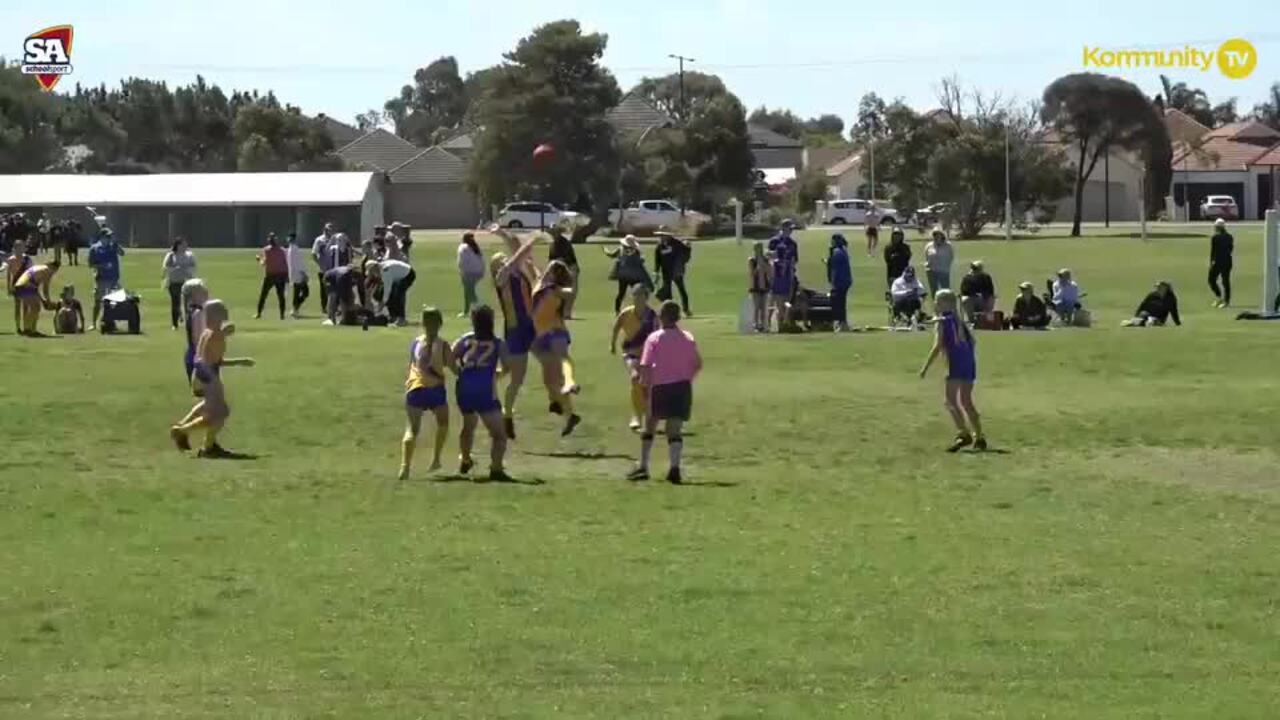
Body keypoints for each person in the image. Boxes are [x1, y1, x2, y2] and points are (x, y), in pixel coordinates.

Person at [628, 300, 702, 484]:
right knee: (674, 429)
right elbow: (697, 363)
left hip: (659, 386)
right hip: (682, 387)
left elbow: (645, 365)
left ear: (662, 317)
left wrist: (645, 386)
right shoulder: (688, 337)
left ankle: (643, 466)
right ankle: (674, 467)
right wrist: (687, 378)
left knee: (650, 425)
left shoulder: (654, 338)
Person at [169, 299, 255, 458]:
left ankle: (203, 442)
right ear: (215, 316)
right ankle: (184, 432)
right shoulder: (215, 334)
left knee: (213, 409)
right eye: (222, 314)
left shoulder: (207, 333)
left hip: (203, 375)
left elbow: (213, 359)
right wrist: (212, 380)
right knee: (219, 414)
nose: (226, 316)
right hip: (208, 376)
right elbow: (208, 357)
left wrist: (239, 362)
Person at [919, 289, 986, 453]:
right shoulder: (959, 321)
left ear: (946, 303)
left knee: (950, 401)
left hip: (955, 364)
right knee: (966, 401)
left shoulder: (943, 322)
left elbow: (938, 346)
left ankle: (963, 433)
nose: (935, 304)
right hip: (969, 364)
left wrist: (925, 367)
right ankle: (979, 436)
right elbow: (973, 343)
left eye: (937, 301)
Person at [489, 225, 540, 439]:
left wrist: (502, 233)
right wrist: (532, 241)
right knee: (516, 379)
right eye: (500, 261)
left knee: (512, 370)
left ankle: (488, 378)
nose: (505, 261)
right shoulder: (501, 278)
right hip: (516, 331)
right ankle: (506, 414)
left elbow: (516, 250)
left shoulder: (516, 273)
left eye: (504, 259)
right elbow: (519, 254)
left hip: (530, 327)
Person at [450, 305, 512, 482]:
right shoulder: (498, 343)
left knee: (468, 426)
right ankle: (496, 468)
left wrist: (458, 372)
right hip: (485, 391)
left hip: (464, 389)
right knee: (499, 434)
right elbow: (507, 366)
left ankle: (465, 459)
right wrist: (497, 375)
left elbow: (450, 357)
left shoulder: (465, 339)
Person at [399, 307, 451, 479]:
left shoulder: (416, 342)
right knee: (443, 423)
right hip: (435, 389)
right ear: (440, 323)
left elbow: (411, 365)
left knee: (412, 429)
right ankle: (436, 459)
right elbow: (455, 368)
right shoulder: (443, 345)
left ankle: (405, 466)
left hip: (415, 388)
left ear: (422, 323)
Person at [531, 259, 582, 436]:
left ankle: (570, 382)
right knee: (550, 380)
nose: (547, 270)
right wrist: (528, 258)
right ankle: (567, 413)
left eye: (551, 268)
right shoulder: (540, 283)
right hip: (538, 336)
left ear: (554, 274)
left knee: (562, 359)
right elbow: (533, 268)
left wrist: (574, 277)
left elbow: (571, 293)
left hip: (555, 330)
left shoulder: (554, 289)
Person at [610, 283, 658, 431]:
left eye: (640, 295)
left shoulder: (652, 316)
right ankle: (636, 417)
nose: (637, 298)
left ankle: (648, 415)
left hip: (648, 357)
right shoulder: (626, 313)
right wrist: (612, 344)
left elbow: (658, 335)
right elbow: (616, 327)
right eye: (635, 295)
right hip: (630, 354)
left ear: (646, 297)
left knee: (646, 388)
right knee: (635, 378)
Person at [87, 227, 125, 331]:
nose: (109, 238)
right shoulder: (94, 248)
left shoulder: (113, 246)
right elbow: (90, 264)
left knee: (113, 302)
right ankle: (93, 323)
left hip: (114, 279)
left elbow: (122, 253)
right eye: (108, 236)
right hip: (101, 279)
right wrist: (102, 266)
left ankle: (110, 323)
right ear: (102, 237)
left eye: (110, 236)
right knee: (98, 302)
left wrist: (116, 243)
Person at [606, 235, 654, 313]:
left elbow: (612, 255)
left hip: (623, 276)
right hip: (633, 276)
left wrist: (605, 250)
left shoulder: (621, 250)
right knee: (637, 293)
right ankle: (639, 308)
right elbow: (640, 261)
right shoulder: (636, 251)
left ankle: (617, 310)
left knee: (621, 293)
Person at [12, 260, 61, 336]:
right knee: (35, 308)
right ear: (54, 268)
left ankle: (28, 329)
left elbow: (35, 289)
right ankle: (31, 330)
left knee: (34, 307)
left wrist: (43, 301)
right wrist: (48, 302)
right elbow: (45, 290)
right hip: (26, 287)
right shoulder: (48, 271)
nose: (54, 273)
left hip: (20, 286)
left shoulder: (39, 267)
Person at [768, 220, 799, 330]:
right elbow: (769, 257)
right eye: (789, 229)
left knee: (788, 300)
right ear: (783, 228)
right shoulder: (774, 241)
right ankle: (769, 324)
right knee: (774, 301)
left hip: (788, 274)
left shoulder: (792, 243)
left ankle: (786, 322)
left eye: (792, 229)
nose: (791, 231)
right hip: (776, 275)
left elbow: (795, 260)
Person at [161, 237, 197, 330]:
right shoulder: (171, 255)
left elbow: (193, 266)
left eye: (186, 244)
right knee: (175, 303)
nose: (185, 246)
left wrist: (188, 270)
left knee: (188, 304)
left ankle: (189, 323)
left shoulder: (189, 255)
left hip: (187, 282)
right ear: (178, 245)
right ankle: (174, 324)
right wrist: (175, 268)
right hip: (174, 282)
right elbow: (165, 268)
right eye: (183, 244)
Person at [655, 228, 692, 316]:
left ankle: (686, 310)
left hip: (676, 271)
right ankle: (669, 312)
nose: (661, 237)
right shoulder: (659, 246)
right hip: (666, 271)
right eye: (660, 235)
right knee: (667, 292)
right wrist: (656, 271)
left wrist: (688, 247)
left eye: (663, 235)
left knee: (681, 290)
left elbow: (686, 252)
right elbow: (657, 259)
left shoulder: (676, 243)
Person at [548, 225, 580, 319]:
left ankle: (566, 313)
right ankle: (559, 312)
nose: (553, 234)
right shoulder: (552, 244)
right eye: (552, 232)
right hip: (559, 269)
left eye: (555, 232)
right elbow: (551, 258)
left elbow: (565, 258)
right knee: (558, 291)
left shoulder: (564, 242)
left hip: (570, 268)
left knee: (570, 292)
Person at [254, 233, 288, 320]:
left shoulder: (267, 250)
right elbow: (285, 263)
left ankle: (259, 313)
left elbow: (263, 263)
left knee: (264, 295)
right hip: (281, 275)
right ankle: (282, 315)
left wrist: (259, 259)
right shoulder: (282, 250)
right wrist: (287, 276)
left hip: (271, 275)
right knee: (281, 296)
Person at [826, 233, 852, 332]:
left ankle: (842, 323)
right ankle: (843, 323)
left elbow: (834, 269)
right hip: (846, 280)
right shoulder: (843, 251)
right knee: (842, 302)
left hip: (839, 281)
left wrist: (832, 283)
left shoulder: (836, 252)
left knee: (839, 303)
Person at [6, 239, 32, 334]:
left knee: (26, 307)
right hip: (16, 285)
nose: (21, 249)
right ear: (15, 248)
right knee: (17, 307)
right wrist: (9, 287)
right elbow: (9, 275)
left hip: (25, 284)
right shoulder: (11, 260)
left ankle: (26, 326)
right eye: (19, 247)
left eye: (22, 247)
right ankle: (18, 327)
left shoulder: (27, 259)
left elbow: (31, 273)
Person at [457, 232, 486, 317]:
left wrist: (462, 272)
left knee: (470, 292)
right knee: (468, 291)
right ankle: (466, 311)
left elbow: (461, 262)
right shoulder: (476, 247)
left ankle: (479, 309)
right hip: (479, 272)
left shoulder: (463, 247)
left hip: (469, 272)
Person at [1208, 218, 1234, 308]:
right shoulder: (1230, 237)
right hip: (1227, 261)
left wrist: (1211, 262)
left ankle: (1219, 297)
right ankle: (1225, 300)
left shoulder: (1215, 237)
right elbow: (1231, 249)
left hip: (1218, 262)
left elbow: (1213, 251)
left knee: (1211, 280)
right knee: (1225, 281)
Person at [312, 222, 336, 311]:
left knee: (334, 289)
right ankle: (324, 307)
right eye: (329, 230)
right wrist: (320, 265)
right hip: (323, 269)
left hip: (333, 269)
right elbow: (314, 254)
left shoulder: (334, 240)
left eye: (332, 230)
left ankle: (333, 307)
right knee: (324, 289)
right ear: (325, 230)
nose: (331, 231)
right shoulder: (319, 240)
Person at [923, 226, 954, 296]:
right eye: (934, 234)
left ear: (942, 235)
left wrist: (945, 266)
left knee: (945, 291)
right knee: (934, 291)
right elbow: (926, 257)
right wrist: (928, 265)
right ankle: (936, 305)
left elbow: (951, 257)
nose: (936, 236)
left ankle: (946, 305)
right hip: (931, 271)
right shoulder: (929, 246)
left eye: (938, 234)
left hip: (944, 271)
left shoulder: (948, 245)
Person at [747, 241, 771, 333]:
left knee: (764, 307)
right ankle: (756, 325)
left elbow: (768, 271)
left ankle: (764, 325)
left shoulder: (766, 260)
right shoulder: (751, 260)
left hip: (764, 286)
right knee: (757, 307)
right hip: (755, 286)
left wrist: (764, 264)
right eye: (757, 249)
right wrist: (758, 266)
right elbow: (752, 273)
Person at [285, 232, 310, 318]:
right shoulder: (294, 249)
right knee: (304, 292)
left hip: (294, 274)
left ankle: (295, 307)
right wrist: (304, 274)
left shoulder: (290, 249)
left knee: (299, 292)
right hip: (298, 274)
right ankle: (295, 308)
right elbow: (299, 263)